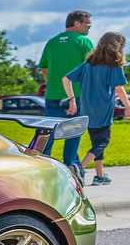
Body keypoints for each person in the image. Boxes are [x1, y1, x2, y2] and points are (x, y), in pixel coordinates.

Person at [62, 32, 129, 186]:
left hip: (87, 109)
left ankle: (99, 176)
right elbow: (119, 89)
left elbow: (66, 79)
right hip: (103, 109)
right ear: (117, 47)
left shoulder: (88, 64)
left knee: (96, 142)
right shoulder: (114, 65)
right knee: (103, 142)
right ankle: (79, 168)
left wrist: (72, 99)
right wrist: (128, 107)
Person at [38, 10, 93, 174]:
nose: (89, 28)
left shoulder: (52, 42)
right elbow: (91, 69)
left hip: (53, 96)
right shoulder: (84, 42)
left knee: (51, 131)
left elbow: (44, 69)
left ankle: (43, 167)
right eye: (87, 24)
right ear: (77, 24)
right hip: (76, 96)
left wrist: (54, 85)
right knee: (73, 133)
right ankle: (72, 169)